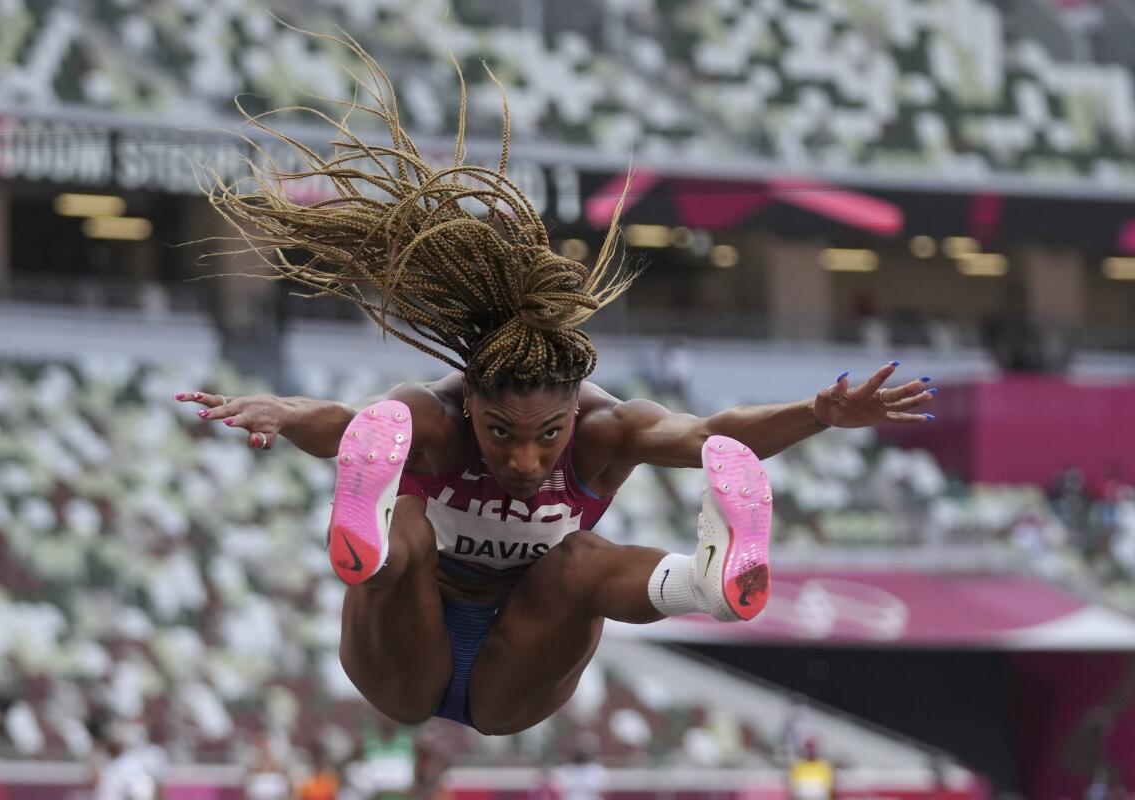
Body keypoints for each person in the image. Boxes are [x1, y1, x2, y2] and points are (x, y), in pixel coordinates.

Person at [180, 37, 936, 735]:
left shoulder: (607, 432)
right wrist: (283, 411)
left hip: (522, 661)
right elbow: (342, 421)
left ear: (576, 411)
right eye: (502, 434)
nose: (527, 461)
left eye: (550, 435)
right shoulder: (426, 419)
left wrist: (818, 412)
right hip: (402, 648)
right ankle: (366, 548)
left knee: (580, 561)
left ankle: (708, 585)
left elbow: (711, 437)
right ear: (470, 406)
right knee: (407, 513)